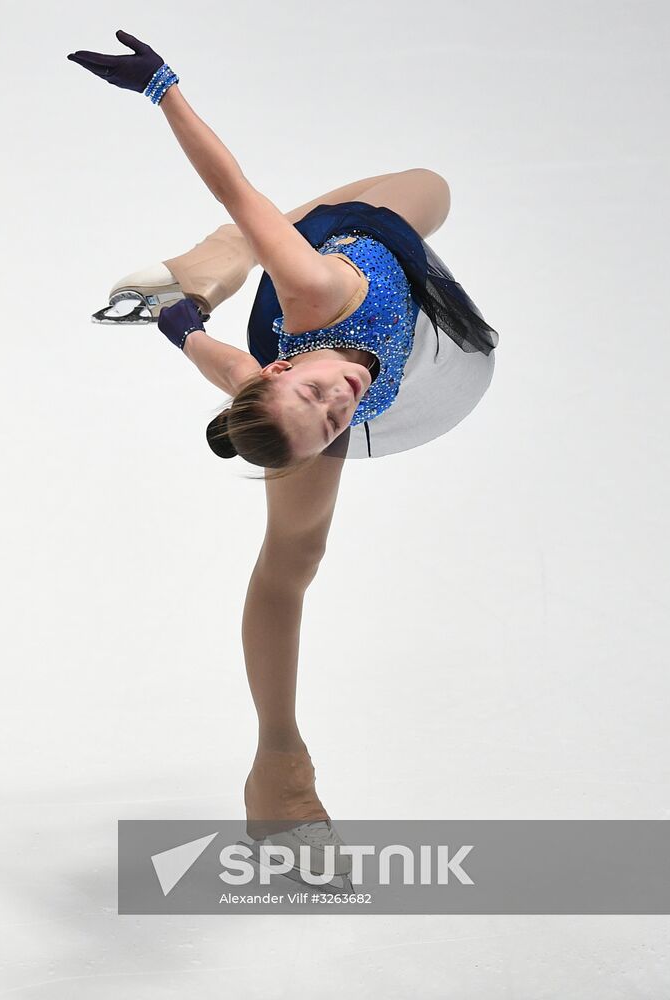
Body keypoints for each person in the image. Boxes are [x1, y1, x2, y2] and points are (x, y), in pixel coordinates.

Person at [68, 30, 499, 878]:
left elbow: (233, 184)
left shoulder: (312, 291)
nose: (342, 401)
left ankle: (225, 251)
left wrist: (163, 89)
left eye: (317, 398)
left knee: (421, 190)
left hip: (342, 260)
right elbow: (228, 368)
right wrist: (183, 330)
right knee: (292, 556)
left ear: (285, 369)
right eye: (335, 423)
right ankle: (278, 768)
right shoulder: (282, 395)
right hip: (291, 339)